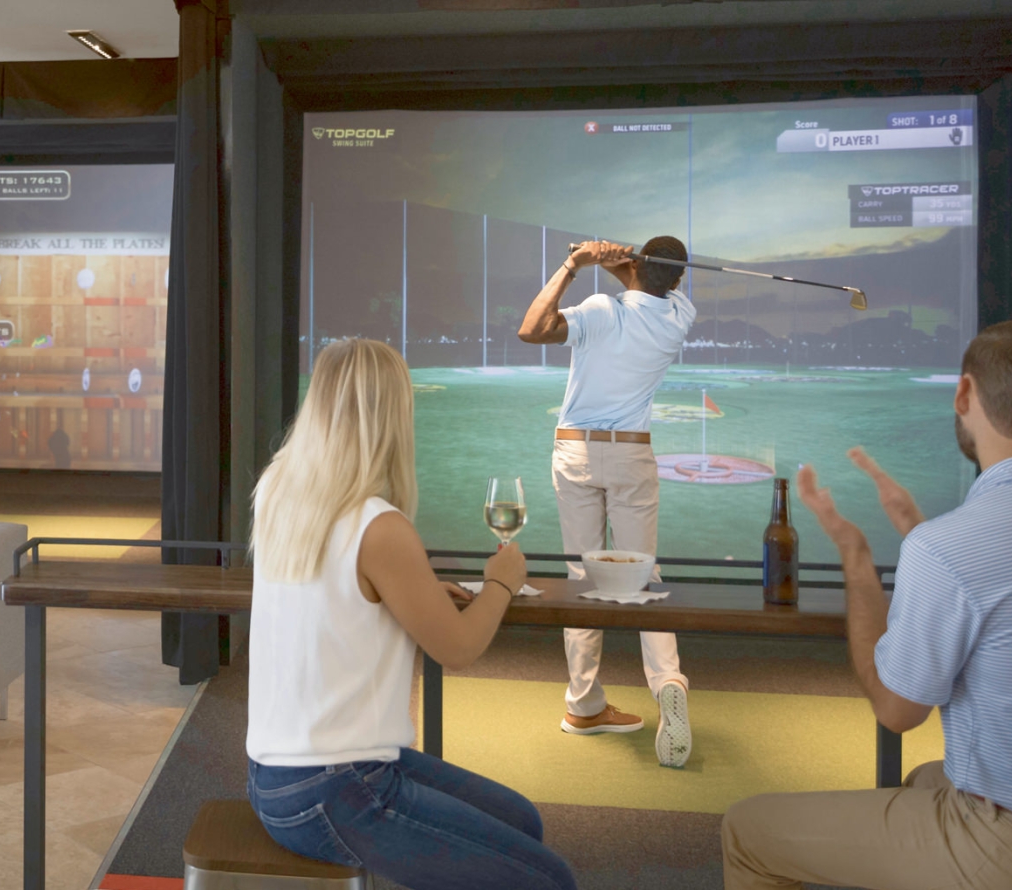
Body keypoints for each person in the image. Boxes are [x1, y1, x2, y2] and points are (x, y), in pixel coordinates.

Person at [722, 318, 1012, 890]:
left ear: (964, 394)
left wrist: (855, 553)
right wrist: (924, 535)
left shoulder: (951, 546)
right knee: (924, 779)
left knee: (747, 831)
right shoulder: (956, 542)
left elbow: (898, 711)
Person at [247, 338, 575, 890]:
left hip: (277, 780)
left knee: (525, 822)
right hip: (339, 786)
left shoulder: (279, 488)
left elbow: (335, 593)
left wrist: (415, 590)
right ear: (392, 412)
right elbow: (460, 649)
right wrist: (502, 581)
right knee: (550, 880)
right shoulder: (379, 526)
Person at [517, 236, 696, 768]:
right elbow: (651, 289)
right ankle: (669, 681)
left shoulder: (599, 309)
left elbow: (531, 330)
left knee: (584, 580)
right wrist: (630, 266)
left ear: (639, 265)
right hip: (632, 457)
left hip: (575, 451)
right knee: (643, 576)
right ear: (679, 280)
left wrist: (577, 263)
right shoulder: (680, 315)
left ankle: (585, 705)